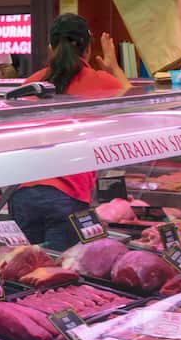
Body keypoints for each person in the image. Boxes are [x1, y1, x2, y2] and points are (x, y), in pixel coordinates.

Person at [9, 14, 130, 250]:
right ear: (88, 47)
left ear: (50, 47)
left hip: (22, 194)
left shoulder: (31, 83)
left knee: (26, 272)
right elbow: (142, 107)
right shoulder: (101, 81)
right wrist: (113, 67)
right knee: (62, 276)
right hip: (67, 195)